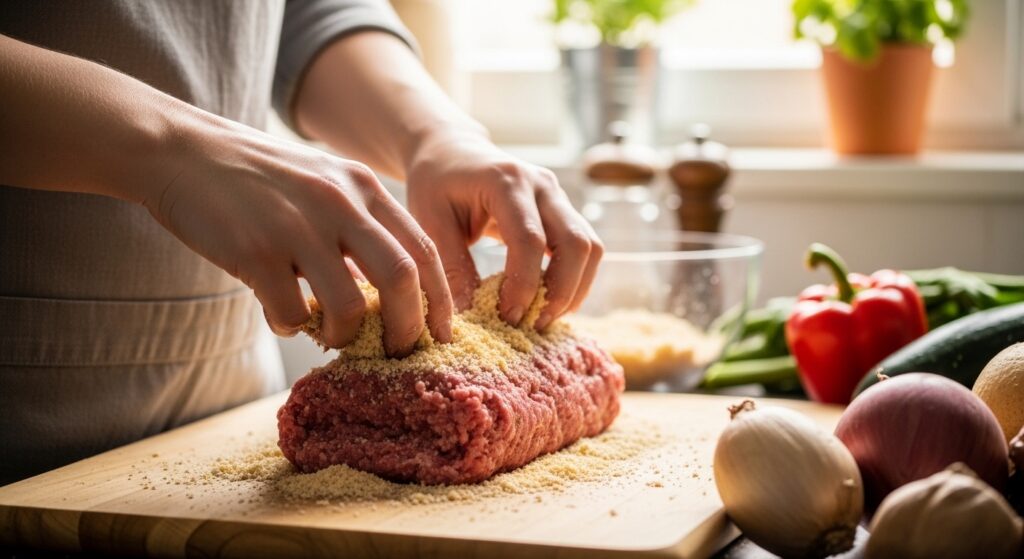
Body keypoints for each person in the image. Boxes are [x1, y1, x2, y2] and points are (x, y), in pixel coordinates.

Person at [0, 1, 603, 485]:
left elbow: (299, 13)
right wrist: (167, 144)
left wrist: (434, 135)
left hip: (224, 400)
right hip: (29, 423)